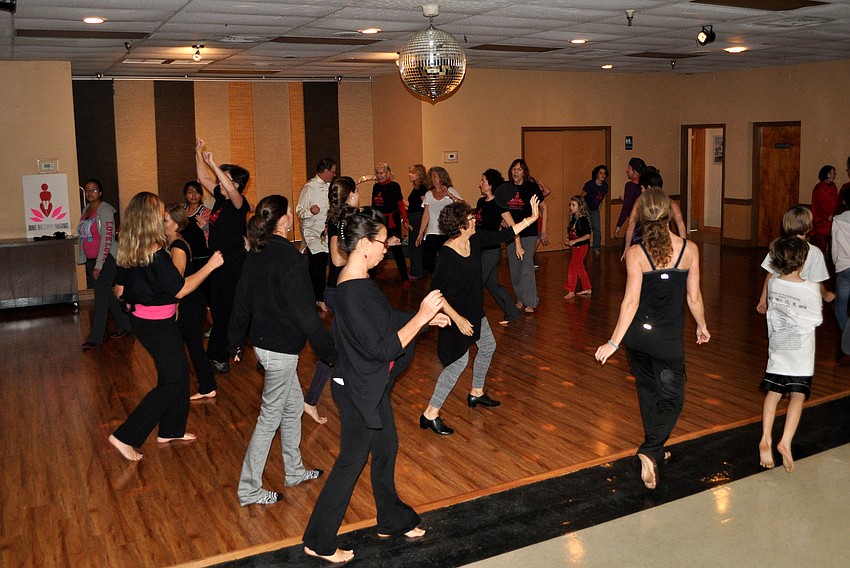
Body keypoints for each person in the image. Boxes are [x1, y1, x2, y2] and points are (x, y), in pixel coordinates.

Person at [302, 208, 449, 563]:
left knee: (386, 447)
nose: (388, 247)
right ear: (365, 244)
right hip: (356, 389)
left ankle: (391, 520)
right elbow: (384, 346)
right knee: (352, 461)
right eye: (383, 241)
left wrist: (427, 322)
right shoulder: (354, 292)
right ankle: (318, 539)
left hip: (368, 383)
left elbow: (383, 322)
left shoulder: (356, 283)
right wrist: (421, 317)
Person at [595, 188, 710, 490]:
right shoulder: (689, 249)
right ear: (670, 214)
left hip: (637, 338)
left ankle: (656, 449)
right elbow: (694, 296)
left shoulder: (636, 254)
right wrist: (702, 325)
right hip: (667, 340)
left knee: (648, 391)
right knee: (673, 398)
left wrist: (615, 342)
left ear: (643, 216)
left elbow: (630, 302)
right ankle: (650, 449)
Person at [228, 195, 337, 506]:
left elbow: (241, 301)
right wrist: (329, 353)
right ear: (285, 220)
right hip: (280, 352)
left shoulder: (258, 252)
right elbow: (305, 314)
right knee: (270, 417)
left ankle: (294, 470)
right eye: (291, 212)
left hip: (264, 347)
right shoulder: (289, 257)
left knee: (291, 408)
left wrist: (235, 341)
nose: (293, 216)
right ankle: (249, 488)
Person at [108, 192, 223, 461]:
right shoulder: (157, 254)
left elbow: (120, 290)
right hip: (157, 324)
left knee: (179, 373)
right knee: (172, 381)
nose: (163, 218)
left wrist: (134, 297)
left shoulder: (129, 249)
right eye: (159, 213)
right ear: (150, 218)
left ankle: (171, 429)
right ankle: (125, 436)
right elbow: (180, 290)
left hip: (147, 320)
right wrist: (210, 266)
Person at [420, 197, 540, 436]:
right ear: (461, 226)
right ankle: (430, 413)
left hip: (475, 311)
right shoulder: (447, 255)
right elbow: (436, 294)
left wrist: (532, 218)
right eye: (471, 218)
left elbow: (504, 235)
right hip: (455, 318)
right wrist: (458, 319)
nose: (475, 219)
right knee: (458, 364)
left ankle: (476, 392)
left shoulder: (474, 240)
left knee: (487, 346)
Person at [758, 236, 823, 473]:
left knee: (774, 392)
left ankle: (765, 436)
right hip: (801, 351)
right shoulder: (811, 287)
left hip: (778, 344)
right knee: (797, 395)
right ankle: (784, 441)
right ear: (802, 261)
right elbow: (815, 319)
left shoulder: (774, 283)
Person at [303, 176, 360, 424]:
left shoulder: (344, 219)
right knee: (337, 349)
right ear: (349, 196)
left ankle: (319, 397)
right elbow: (337, 260)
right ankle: (311, 399)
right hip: (340, 292)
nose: (359, 195)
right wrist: (363, 257)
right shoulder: (341, 221)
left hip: (344, 291)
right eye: (356, 192)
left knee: (344, 347)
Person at [194, 138, 251, 374]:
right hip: (216, 263)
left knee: (224, 310)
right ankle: (225, 350)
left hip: (233, 264)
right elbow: (202, 178)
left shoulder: (239, 203)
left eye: (224, 176)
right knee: (219, 309)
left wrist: (214, 162)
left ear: (235, 183)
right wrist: (198, 152)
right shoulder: (220, 198)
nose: (218, 180)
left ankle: (220, 355)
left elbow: (230, 189)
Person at [164, 204, 216, 400]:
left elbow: (178, 283)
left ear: (176, 225)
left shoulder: (178, 247)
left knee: (187, 347)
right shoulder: (175, 244)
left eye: (166, 221)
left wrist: (174, 305)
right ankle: (206, 386)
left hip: (189, 304)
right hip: (191, 303)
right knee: (192, 347)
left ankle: (201, 386)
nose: (162, 224)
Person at [77, 178, 132, 351]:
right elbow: (84, 236)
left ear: (100, 192)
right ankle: (127, 325)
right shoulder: (86, 209)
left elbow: (107, 239)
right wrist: (85, 258)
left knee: (100, 299)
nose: (90, 193)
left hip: (106, 260)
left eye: (94, 190)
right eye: (87, 190)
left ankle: (96, 338)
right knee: (106, 295)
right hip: (93, 260)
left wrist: (99, 265)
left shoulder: (105, 210)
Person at [756, 206, 834, 315]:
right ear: (808, 226)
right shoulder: (814, 252)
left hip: (778, 300)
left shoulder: (778, 247)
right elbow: (816, 282)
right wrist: (826, 295)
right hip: (799, 304)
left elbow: (770, 274)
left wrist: (762, 300)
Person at [500, 158, 548, 314]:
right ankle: (520, 298)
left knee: (526, 266)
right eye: (514, 169)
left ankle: (531, 301)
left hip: (529, 233)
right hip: (512, 233)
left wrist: (544, 230)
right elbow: (501, 209)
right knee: (515, 269)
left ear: (524, 172)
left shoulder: (531, 187)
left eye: (519, 169)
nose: (516, 172)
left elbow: (543, 208)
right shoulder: (506, 188)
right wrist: (502, 221)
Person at [476, 168, 520, 324]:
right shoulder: (481, 202)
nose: (480, 183)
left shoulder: (498, 204)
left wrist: (518, 246)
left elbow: (514, 226)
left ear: (491, 184)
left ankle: (472, 316)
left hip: (492, 250)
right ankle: (512, 313)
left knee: (476, 283)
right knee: (492, 283)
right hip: (480, 248)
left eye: (483, 181)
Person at [297, 158, 337, 311]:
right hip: (312, 232)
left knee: (325, 264)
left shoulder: (330, 187)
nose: (334, 174)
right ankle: (318, 298)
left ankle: (317, 295)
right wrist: (310, 211)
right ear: (326, 171)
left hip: (327, 232)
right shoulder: (309, 187)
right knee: (318, 264)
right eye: (332, 171)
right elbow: (299, 211)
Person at [622, 167, 687, 258]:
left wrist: (627, 247)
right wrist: (684, 245)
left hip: (644, 241)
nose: (641, 190)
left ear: (648, 187)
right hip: (665, 241)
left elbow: (631, 224)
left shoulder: (640, 201)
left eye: (641, 187)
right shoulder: (670, 202)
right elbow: (680, 224)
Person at [416, 166, 463, 274]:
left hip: (447, 232)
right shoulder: (428, 194)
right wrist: (420, 232)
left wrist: (450, 196)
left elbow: (463, 206)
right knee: (427, 262)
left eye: (435, 176)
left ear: (442, 177)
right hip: (432, 232)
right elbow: (425, 215)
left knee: (447, 260)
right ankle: (439, 276)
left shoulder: (450, 190)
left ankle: (445, 280)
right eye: (431, 176)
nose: (433, 179)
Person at [371, 162, 409, 285]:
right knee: (377, 248)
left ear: (388, 173)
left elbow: (400, 204)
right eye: (377, 173)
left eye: (381, 173)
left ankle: (405, 278)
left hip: (392, 221)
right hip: (379, 221)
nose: (379, 175)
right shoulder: (376, 187)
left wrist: (405, 219)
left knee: (397, 250)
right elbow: (374, 205)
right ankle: (371, 279)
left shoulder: (394, 186)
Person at [563, 195, 592, 299]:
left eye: (573, 205)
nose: (571, 207)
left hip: (582, 247)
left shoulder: (583, 220)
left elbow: (588, 235)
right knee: (579, 267)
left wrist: (575, 241)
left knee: (572, 267)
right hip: (575, 247)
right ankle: (587, 287)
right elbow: (572, 233)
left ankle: (571, 290)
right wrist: (569, 240)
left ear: (580, 206)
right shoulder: (573, 218)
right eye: (570, 205)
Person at [181, 181, 211, 278]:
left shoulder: (207, 212)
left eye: (197, 192)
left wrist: (206, 227)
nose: (194, 195)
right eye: (190, 192)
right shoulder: (181, 211)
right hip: (184, 254)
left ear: (201, 195)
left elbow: (215, 232)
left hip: (202, 255)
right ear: (185, 195)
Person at [405, 164, 430, 280]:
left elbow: (425, 205)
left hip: (418, 218)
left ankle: (417, 272)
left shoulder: (422, 188)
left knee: (415, 246)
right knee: (415, 245)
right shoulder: (417, 188)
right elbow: (414, 205)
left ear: (419, 174)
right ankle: (417, 271)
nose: (410, 175)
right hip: (415, 216)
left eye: (413, 173)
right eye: (410, 172)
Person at [613, 157, 645, 239]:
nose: (627, 170)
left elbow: (626, 207)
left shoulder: (630, 186)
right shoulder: (646, 185)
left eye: (629, 168)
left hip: (636, 224)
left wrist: (619, 225)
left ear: (635, 171)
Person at [832, 191, 850, 332]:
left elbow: (835, 247)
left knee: (841, 309)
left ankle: (847, 339)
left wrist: (835, 264)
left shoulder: (838, 220)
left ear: (844, 202)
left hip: (843, 266)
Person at [810, 164, 838, 252]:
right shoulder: (819, 188)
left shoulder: (833, 187)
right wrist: (826, 216)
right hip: (822, 223)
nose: (833, 175)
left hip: (833, 221)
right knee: (819, 248)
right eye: (831, 173)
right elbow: (816, 207)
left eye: (834, 173)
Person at [582, 164, 609, 256]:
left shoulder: (605, 186)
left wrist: (599, 208)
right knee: (585, 228)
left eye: (604, 173)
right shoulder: (589, 185)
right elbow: (582, 197)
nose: (603, 175)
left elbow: (601, 198)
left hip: (595, 209)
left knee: (597, 228)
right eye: (601, 173)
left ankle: (596, 247)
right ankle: (583, 247)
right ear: (596, 174)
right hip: (586, 208)